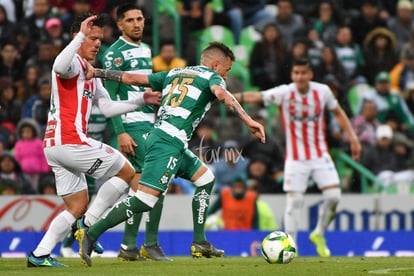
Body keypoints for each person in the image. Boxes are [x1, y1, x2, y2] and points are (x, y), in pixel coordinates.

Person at [74, 41, 266, 267]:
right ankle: (91, 233)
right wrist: (249, 120)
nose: (226, 74)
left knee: (206, 178)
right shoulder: (211, 77)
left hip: (170, 139)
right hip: (167, 142)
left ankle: (200, 241)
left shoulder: (174, 73)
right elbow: (223, 96)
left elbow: (132, 79)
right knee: (145, 199)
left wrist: (97, 72)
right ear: (215, 65)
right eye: (227, 69)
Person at [26, 14, 161, 268]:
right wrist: (78, 37)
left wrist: (141, 100)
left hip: (55, 146)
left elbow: (108, 108)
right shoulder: (72, 63)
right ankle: (90, 226)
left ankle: (40, 254)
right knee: (127, 171)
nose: (98, 43)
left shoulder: (91, 72)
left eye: (100, 38)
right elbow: (57, 67)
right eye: (92, 37)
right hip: (70, 141)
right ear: (78, 38)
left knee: (76, 206)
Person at [234, 58, 361, 257]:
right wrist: (232, 96)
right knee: (294, 202)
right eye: (296, 73)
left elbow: (338, 113)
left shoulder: (323, 92)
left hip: (320, 155)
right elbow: (256, 96)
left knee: (334, 197)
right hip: (295, 158)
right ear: (292, 75)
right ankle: (292, 248)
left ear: (310, 75)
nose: (299, 77)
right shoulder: (285, 92)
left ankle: (318, 232)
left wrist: (353, 137)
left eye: (303, 73)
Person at [101, 3, 170, 262]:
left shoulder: (146, 49)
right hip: (130, 123)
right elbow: (110, 96)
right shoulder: (114, 54)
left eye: (139, 19)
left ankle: (130, 246)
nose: (136, 24)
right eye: (130, 20)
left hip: (148, 123)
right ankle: (146, 243)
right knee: (152, 183)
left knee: (145, 185)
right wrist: (120, 132)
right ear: (120, 25)